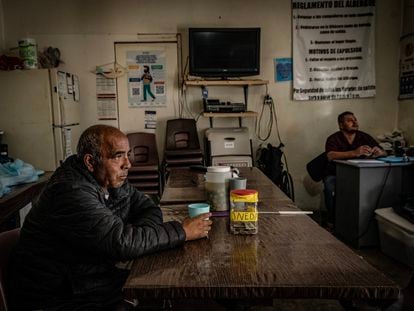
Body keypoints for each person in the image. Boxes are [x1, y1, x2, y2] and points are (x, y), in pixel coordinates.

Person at [9, 124, 212, 310]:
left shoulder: (106, 178)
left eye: (128, 155)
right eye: (118, 156)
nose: (128, 164)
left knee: (176, 294)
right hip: (60, 299)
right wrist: (182, 231)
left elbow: (147, 208)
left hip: (88, 280)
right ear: (90, 161)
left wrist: (140, 236)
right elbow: (121, 242)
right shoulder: (70, 191)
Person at [324, 111, 386, 228]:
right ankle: (332, 219)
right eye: (349, 120)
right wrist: (354, 152)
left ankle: (361, 222)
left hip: (360, 175)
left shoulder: (364, 136)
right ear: (341, 125)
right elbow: (330, 155)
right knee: (329, 186)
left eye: (355, 119)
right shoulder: (334, 138)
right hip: (336, 174)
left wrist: (380, 152)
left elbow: (383, 151)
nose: (354, 122)